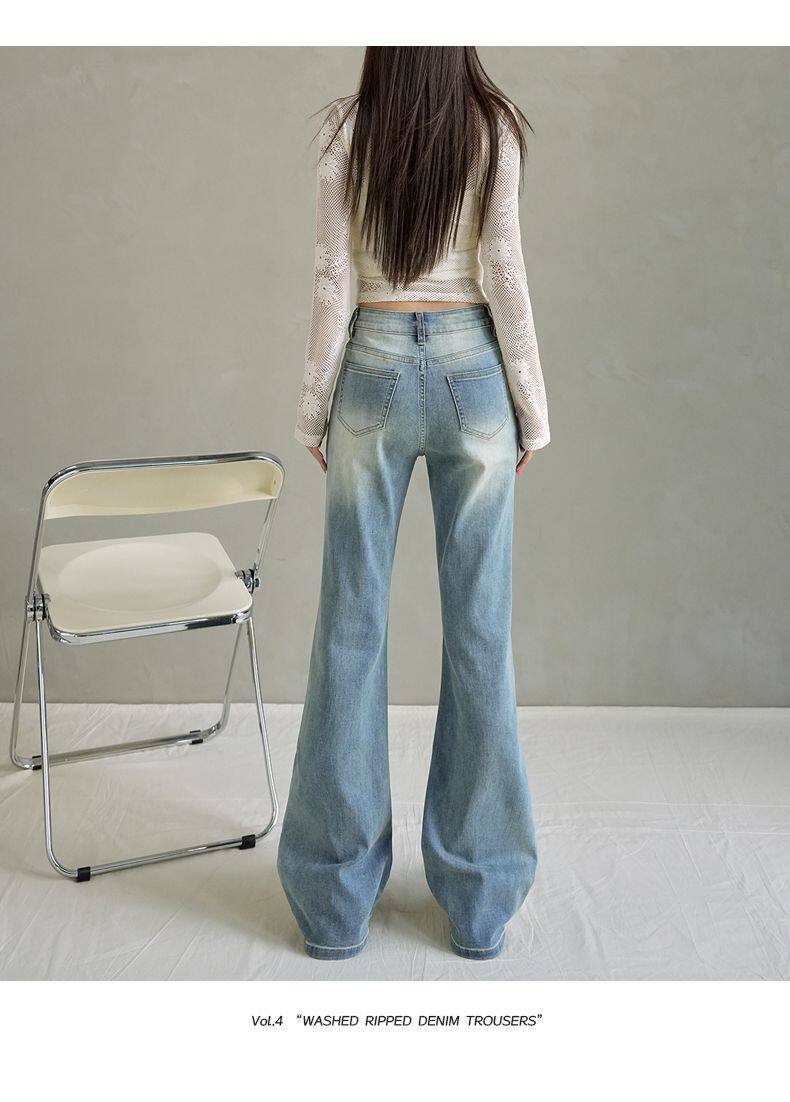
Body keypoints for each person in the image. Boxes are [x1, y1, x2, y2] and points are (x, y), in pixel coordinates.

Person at [277, 46, 550, 962]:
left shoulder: (347, 128)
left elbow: (334, 277)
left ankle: (332, 904)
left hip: (373, 369)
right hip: (476, 376)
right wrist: (532, 408)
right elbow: (502, 267)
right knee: (480, 632)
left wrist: (313, 408)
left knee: (349, 629)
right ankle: (480, 903)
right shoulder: (494, 125)